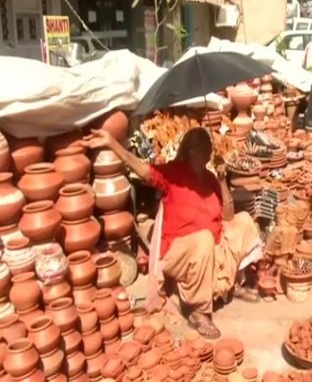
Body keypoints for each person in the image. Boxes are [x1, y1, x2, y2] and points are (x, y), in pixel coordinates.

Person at [83, 127, 263, 339]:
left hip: (212, 247)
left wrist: (223, 181)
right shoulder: (174, 173)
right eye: (202, 146)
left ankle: (229, 284)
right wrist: (113, 143)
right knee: (204, 238)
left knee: (244, 221)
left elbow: (229, 216)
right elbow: (143, 171)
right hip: (181, 253)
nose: (208, 150)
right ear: (190, 150)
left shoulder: (211, 179)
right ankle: (198, 310)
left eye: (209, 146)